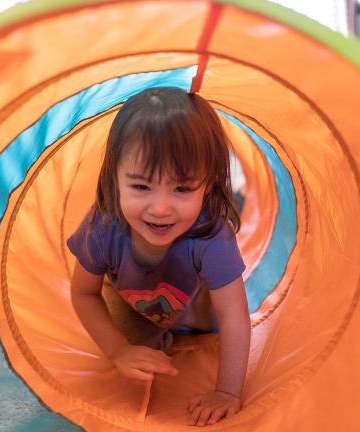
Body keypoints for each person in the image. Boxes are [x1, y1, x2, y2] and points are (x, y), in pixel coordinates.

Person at [67, 87, 251, 427]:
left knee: (210, 324)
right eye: (141, 187)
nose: (161, 208)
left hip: (194, 302)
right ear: (115, 179)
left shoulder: (211, 233)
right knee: (125, 370)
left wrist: (227, 391)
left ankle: (177, 330)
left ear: (207, 184)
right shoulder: (104, 225)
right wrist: (117, 350)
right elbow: (83, 293)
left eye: (181, 189)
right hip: (129, 301)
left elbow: (235, 317)